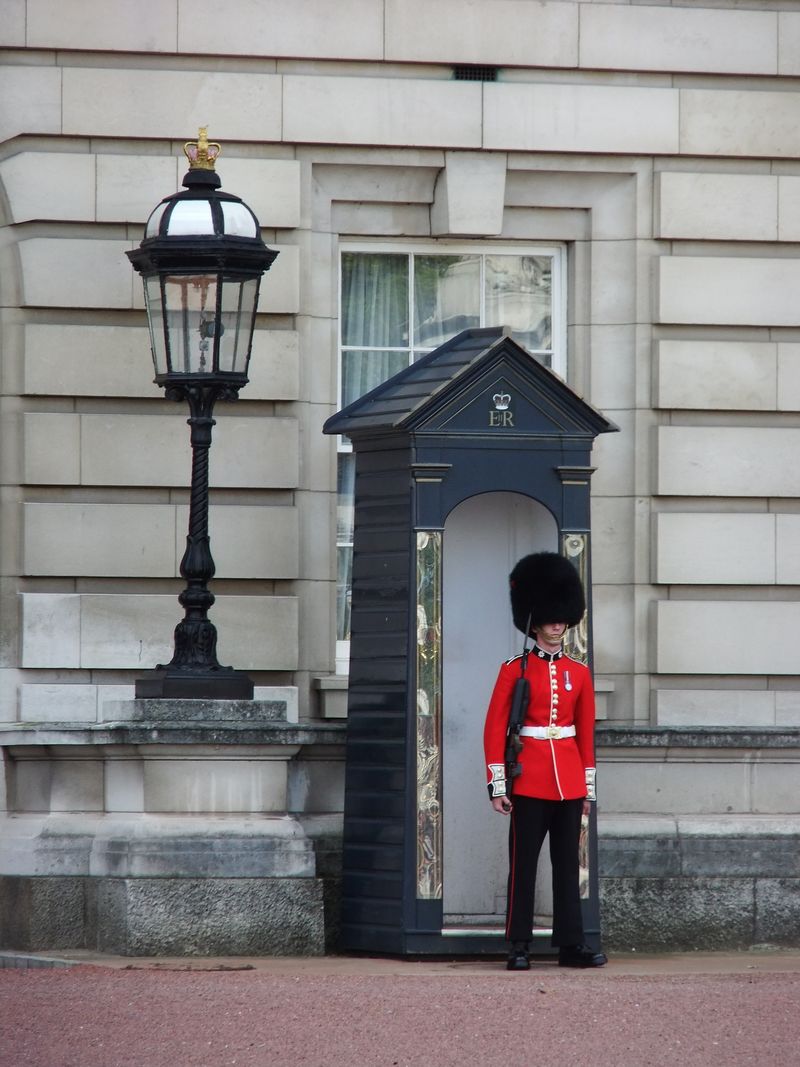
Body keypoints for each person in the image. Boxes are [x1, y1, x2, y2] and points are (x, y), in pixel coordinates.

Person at [483, 551, 607, 970]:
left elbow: (585, 733)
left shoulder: (580, 673)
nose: (558, 625)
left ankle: (571, 944)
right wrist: (498, 786)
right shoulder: (513, 670)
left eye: (562, 618)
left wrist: (587, 788)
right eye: (551, 618)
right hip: (530, 779)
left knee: (567, 868)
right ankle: (518, 944)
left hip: (568, 781)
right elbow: (493, 730)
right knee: (524, 866)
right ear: (535, 621)